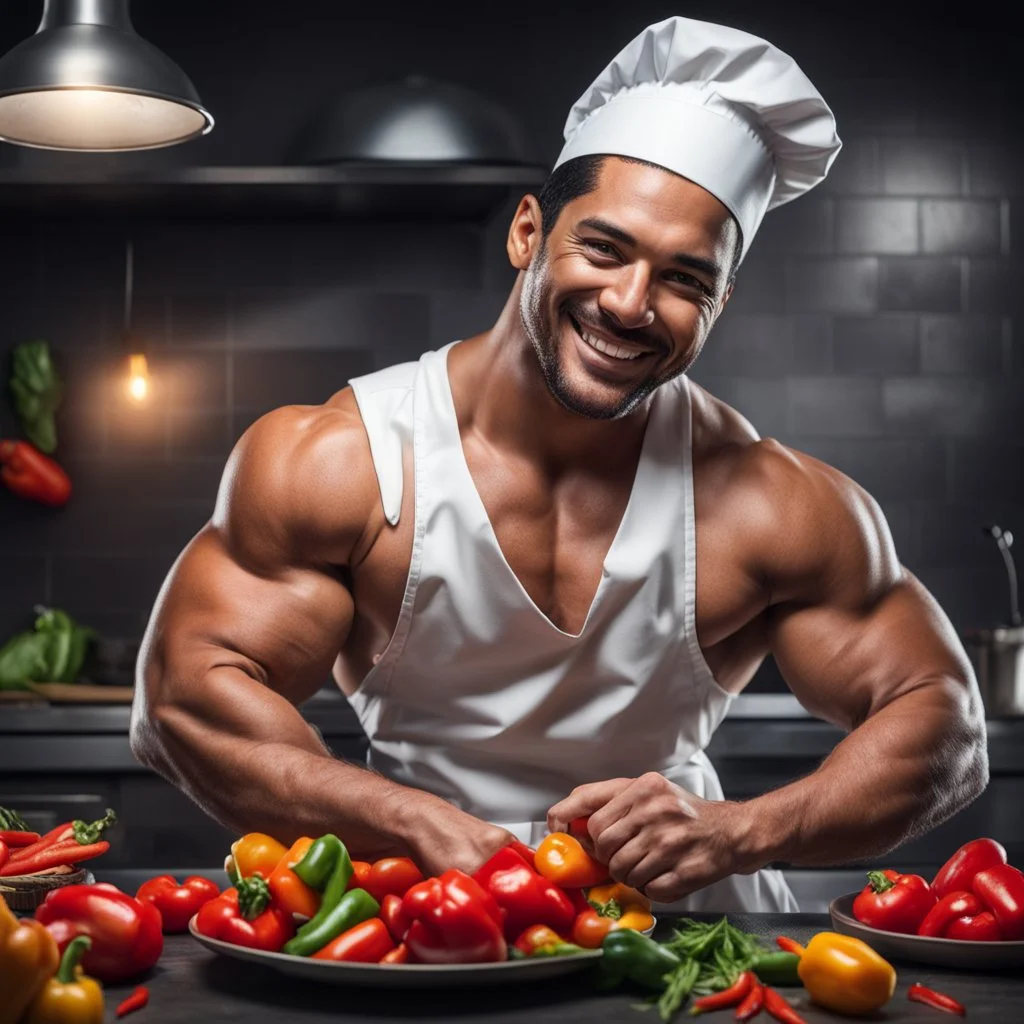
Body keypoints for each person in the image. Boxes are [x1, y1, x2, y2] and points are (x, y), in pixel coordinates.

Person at [130, 16, 987, 911]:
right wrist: (408, 819)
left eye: (685, 279)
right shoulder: (344, 461)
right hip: (433, 933)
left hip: (694, 956)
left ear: (720, 302)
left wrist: (739, 831)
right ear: (528, 233)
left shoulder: (771, 503)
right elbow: (183, 703)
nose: (630, 303)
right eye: (604, 248)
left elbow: (946, 724)